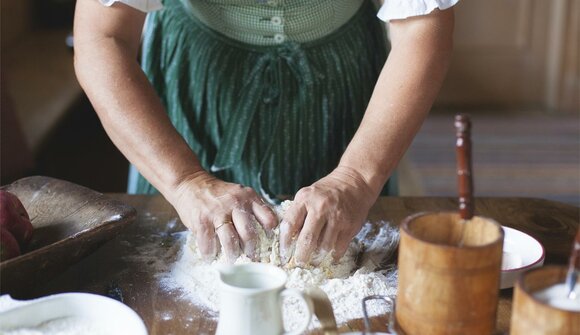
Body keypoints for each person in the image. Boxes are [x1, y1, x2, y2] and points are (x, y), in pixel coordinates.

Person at [73, 0, 457, 265]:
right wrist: (185, 181)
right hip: (199, 78)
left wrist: (355, 178)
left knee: (337, 246)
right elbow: (102, 38)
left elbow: (422, 30)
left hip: (339, 77)